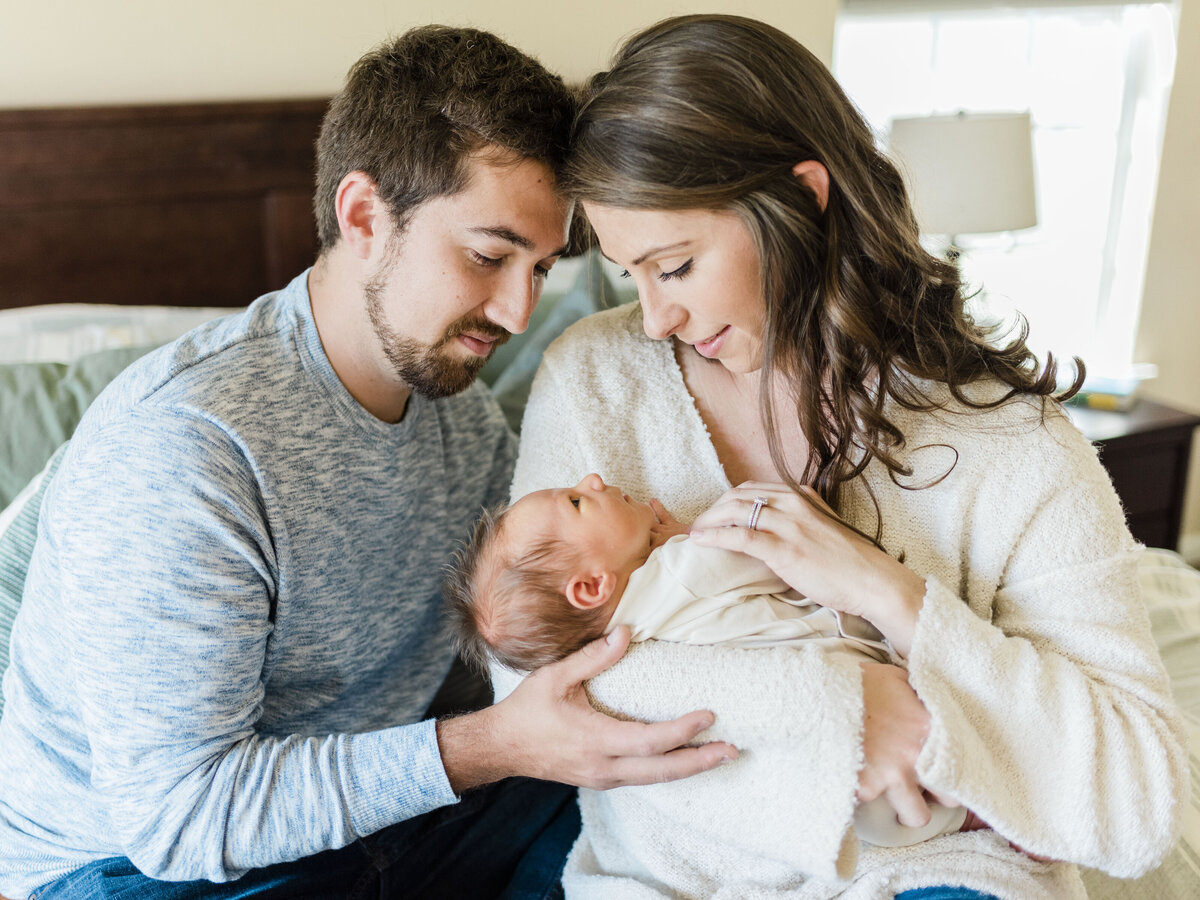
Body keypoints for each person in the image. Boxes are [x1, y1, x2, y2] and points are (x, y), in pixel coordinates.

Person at [0, 26, 736, 900]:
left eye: (540, 268)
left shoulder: (458, 412)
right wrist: (499, 743)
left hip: (387, 825)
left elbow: (528, 630)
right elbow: (183, 820)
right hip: (147, 870)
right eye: (489, 255)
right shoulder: (189, 452)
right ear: (362, 217)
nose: (515, 309)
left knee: (672, 810)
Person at [500, 13, 1188, 898]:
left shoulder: (1009, 443)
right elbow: (536, 675)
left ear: (801, 198)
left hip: (932, 872)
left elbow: (1143, 800)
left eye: (674, 267)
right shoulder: (595, 381)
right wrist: (852, 713)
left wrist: (886, 592)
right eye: (629, 274)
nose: (654, 316)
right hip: (672, 872)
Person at [447, 472, 969, 850]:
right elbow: (790, 543)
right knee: (953, 764)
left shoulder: (626, 639)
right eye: (578, 502)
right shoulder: (683, 567)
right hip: (867, 692)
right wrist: (696, 532)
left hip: (842, 789)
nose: (594, 478)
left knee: (917, 812)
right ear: (590, 587)